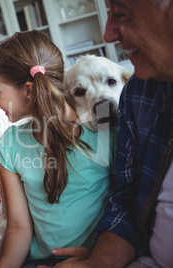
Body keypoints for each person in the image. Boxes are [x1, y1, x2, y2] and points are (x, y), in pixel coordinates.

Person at [43, 1, 173, 267]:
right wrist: (98, 262)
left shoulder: (134, 90)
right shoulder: (140, 94)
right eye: (80, 92)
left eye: (122, 13)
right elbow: (128, 199)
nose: (109, 33)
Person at [0, 30, 118, 268]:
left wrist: (100, 257)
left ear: (27, 90)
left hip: (97, 258)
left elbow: (126, 203)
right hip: (39, 263)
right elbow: (19, 226)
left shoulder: (102, 133)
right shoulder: (8, 145)